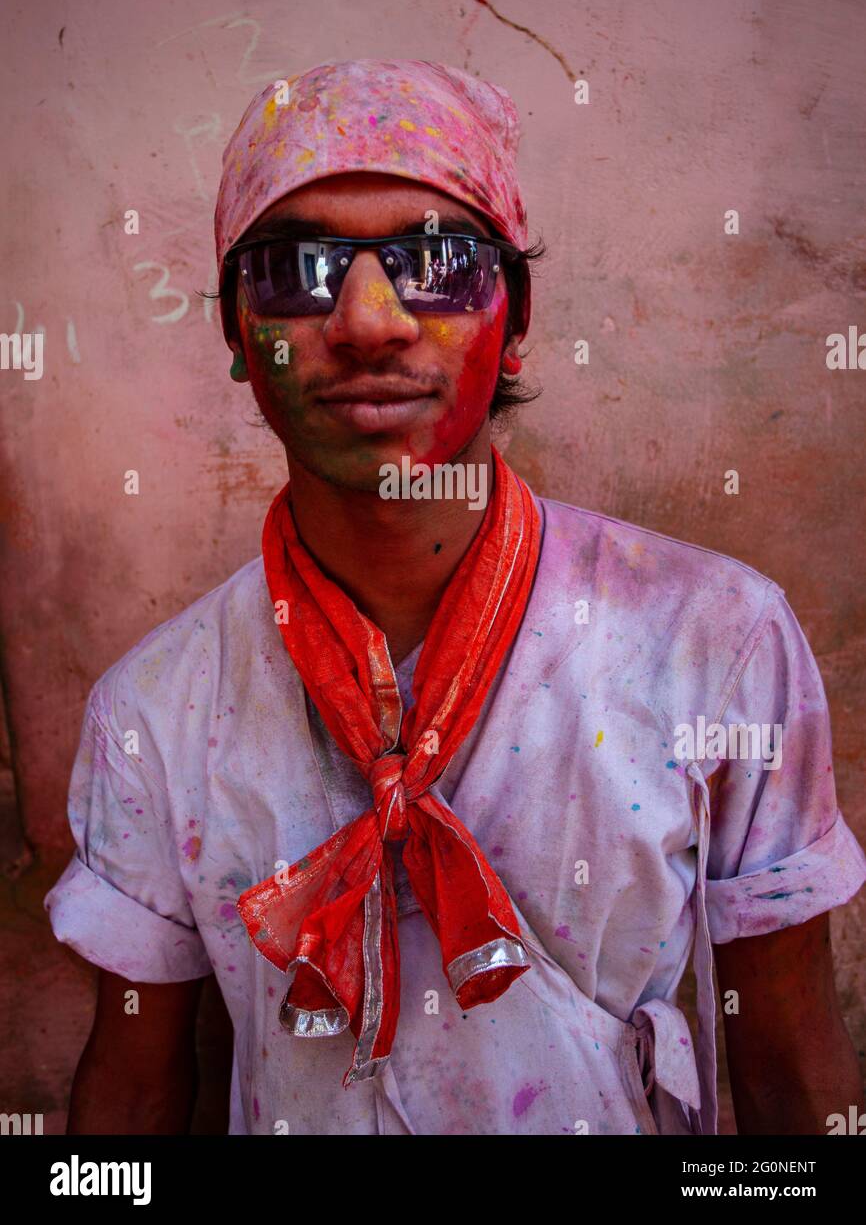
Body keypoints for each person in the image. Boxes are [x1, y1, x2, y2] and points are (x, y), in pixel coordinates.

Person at [46, 58, 866, 1136]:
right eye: (297, 269)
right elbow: (136, 1095)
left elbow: (788, 1072)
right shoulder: (154, 711)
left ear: (514, 320)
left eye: (435, 262)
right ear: (238, 335)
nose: (369, 320)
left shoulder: (713, 643)